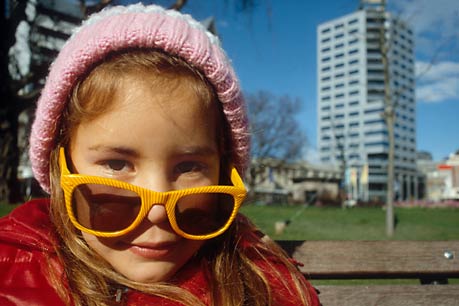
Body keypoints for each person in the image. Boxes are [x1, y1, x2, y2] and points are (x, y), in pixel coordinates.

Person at [0, 4, 320, 306]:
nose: (158, 209)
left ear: (224, 171)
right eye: (116, 163)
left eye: (189, 166)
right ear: (61, 167)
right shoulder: (12, 274)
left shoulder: (263, 286)